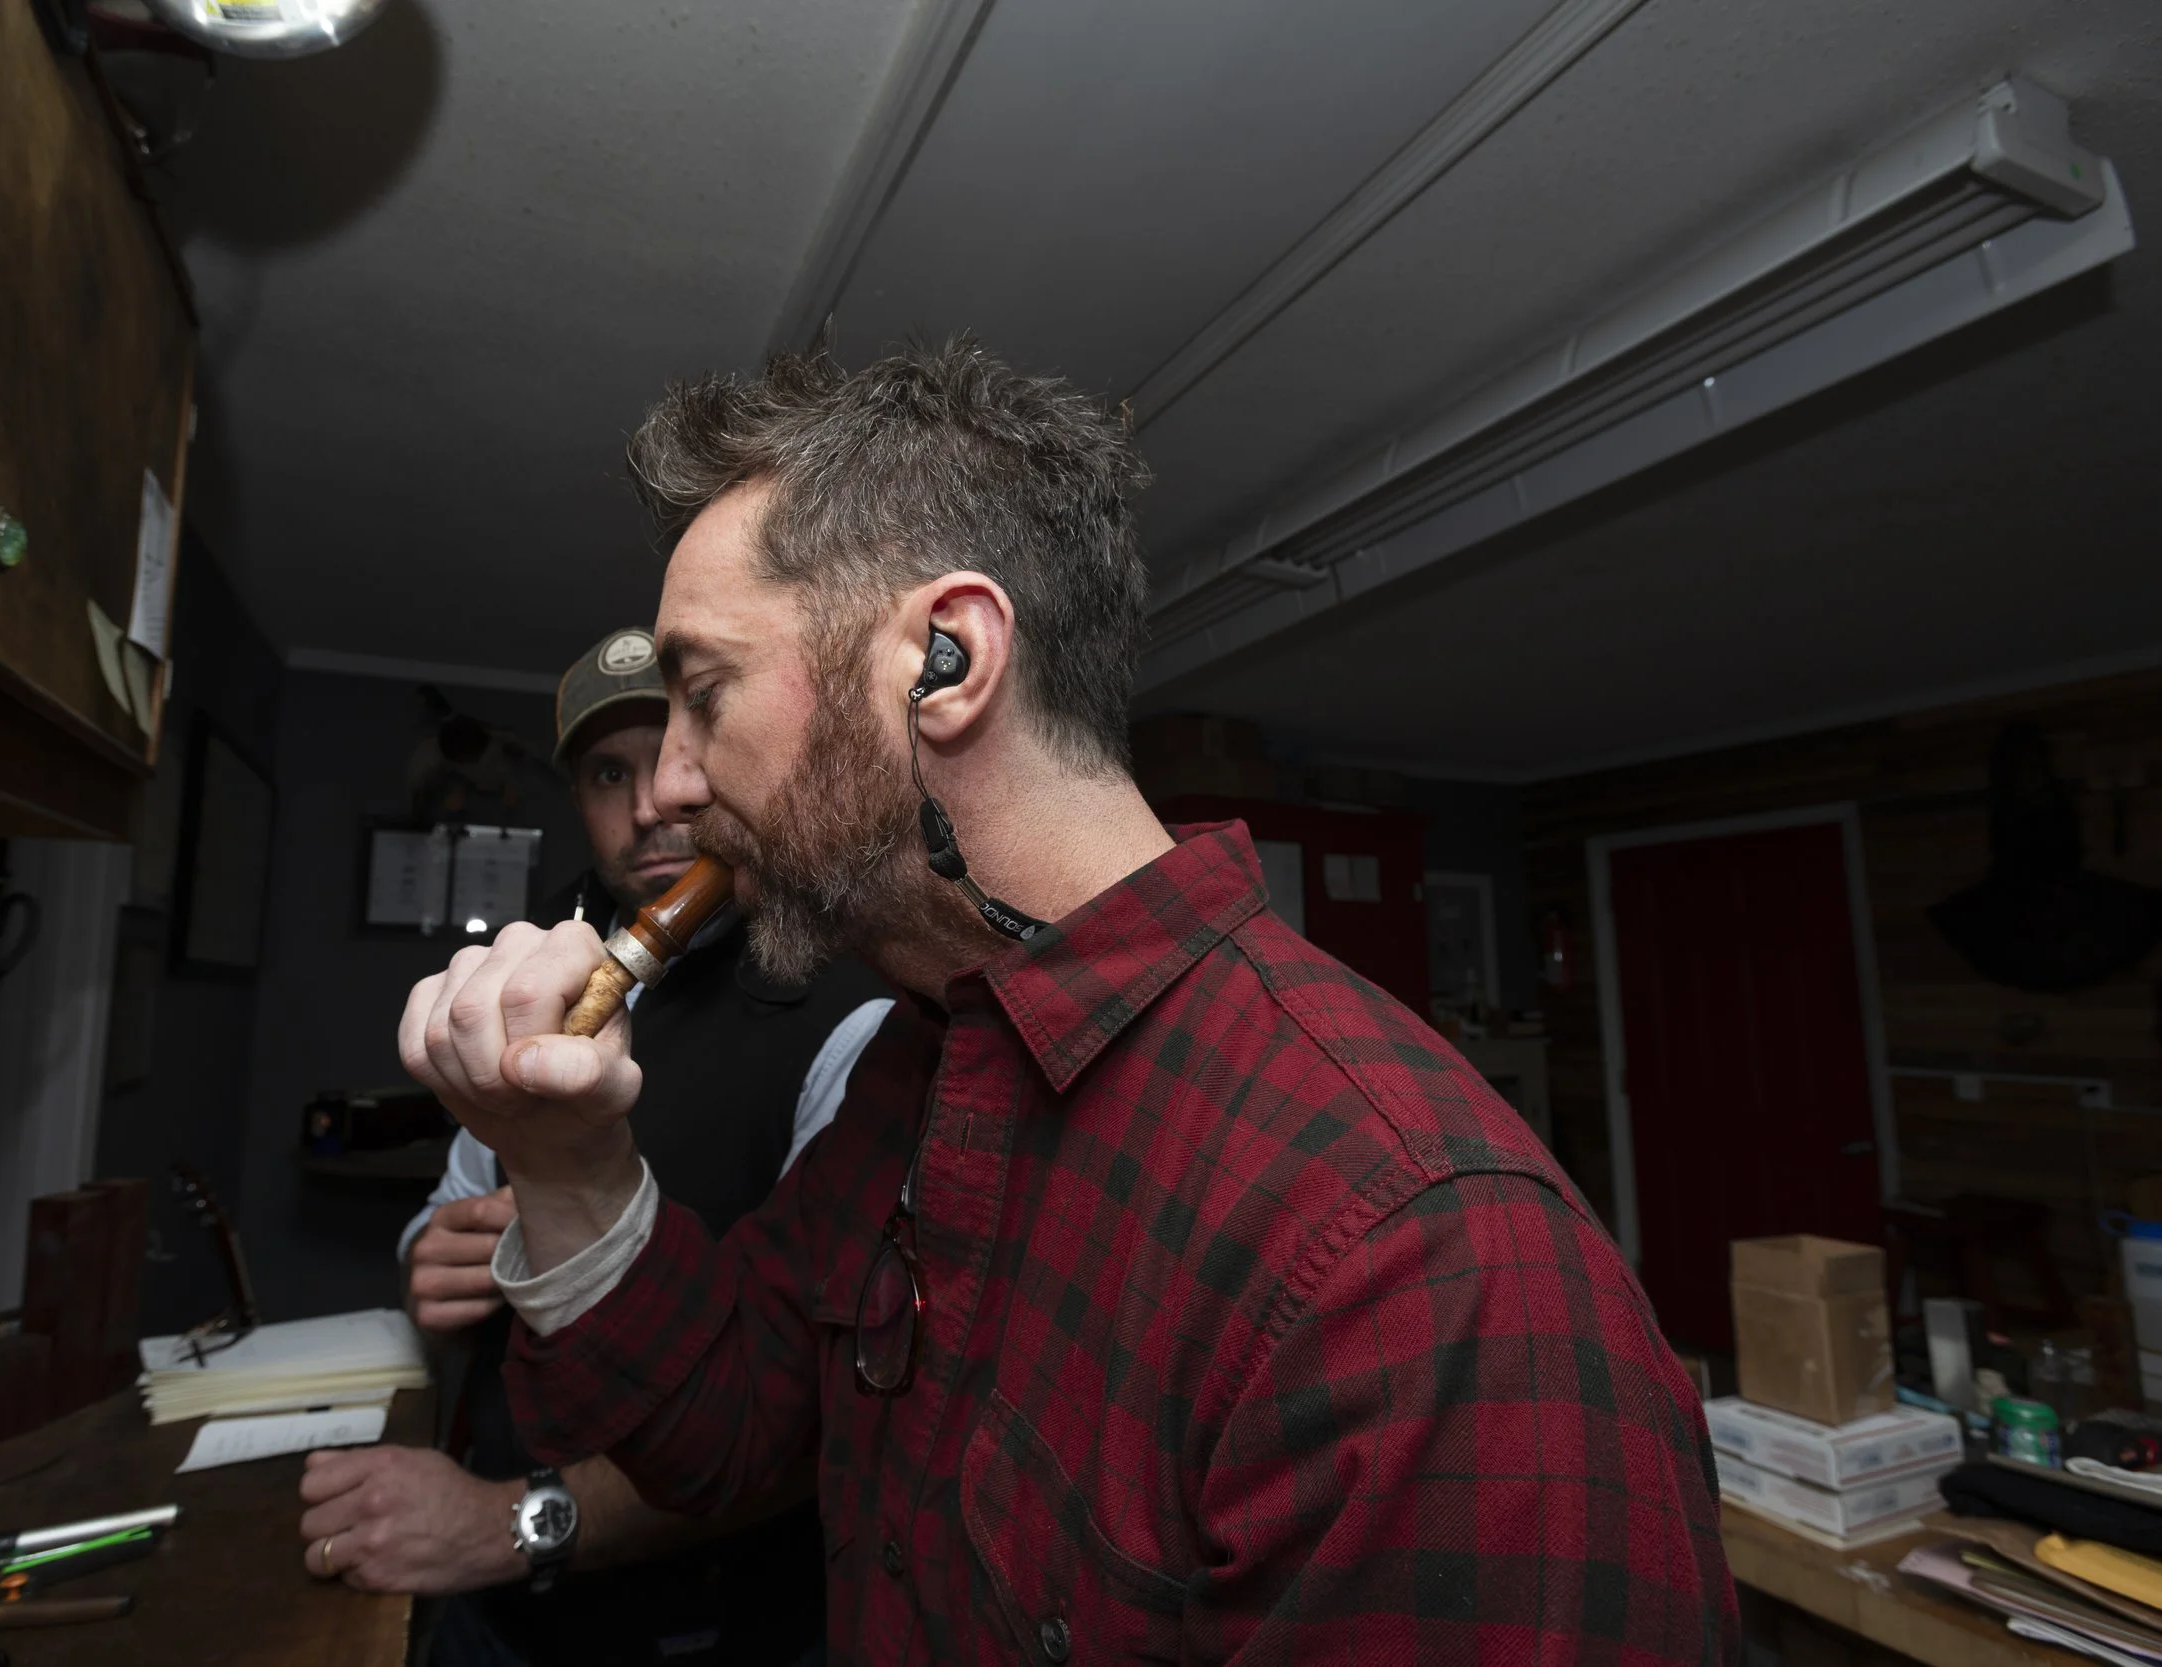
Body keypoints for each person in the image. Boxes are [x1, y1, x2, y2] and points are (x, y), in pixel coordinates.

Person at [396, 342, 1740, 1662]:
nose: (673, 787)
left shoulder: (1421, 1256)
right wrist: (567, 1164)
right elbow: (723, 1426)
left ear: (946, 660)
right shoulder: (920, 1066)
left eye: (704, 693)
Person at [301, 627, 891, 1667]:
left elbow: (813, 1416)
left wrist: (497, 1522)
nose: (652, 802)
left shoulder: (852, 1017)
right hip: (500, 1612)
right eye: (606, 773)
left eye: (674, 752)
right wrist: (428, 1261)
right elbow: (455, 1204)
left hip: (721, 1622)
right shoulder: (542, 971)